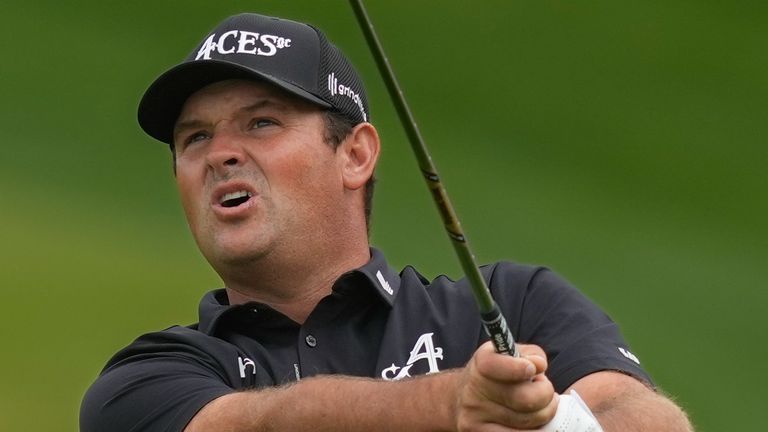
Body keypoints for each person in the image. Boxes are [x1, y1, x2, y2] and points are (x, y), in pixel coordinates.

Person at [80, 12, 692, 432]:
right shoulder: (146, 379)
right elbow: (256, 424)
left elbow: (645, 416)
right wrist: (452, 403)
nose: (220, 154)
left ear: (355, 155)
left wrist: (553, 422)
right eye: (195, 138)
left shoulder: (514, 302)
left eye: (261, 123)